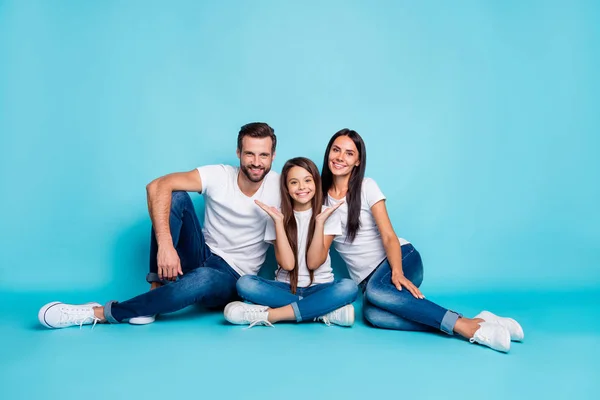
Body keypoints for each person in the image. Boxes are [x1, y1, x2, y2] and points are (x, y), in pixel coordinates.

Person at [38, 122, 281, 329]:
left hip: (230, 277)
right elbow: (156, 186)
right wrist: (166, 246)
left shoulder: (280, 187)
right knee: (174, 195)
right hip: (201, 253)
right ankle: (157, 288)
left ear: (273, 156)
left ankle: (99, 313)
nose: (256, 162)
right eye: (250, 154)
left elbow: (310, 206)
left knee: (205, 277)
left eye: (263, 155)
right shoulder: (219, 175)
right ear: (238, 152)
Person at [320, 128, 524, 352]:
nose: (340, 157)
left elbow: (389, 235)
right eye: (336, 150)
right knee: (373, 315)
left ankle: (470, 330)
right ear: (329, 152)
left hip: (402, 259)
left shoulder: (367, 186)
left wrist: (397, 271)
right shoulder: (319, 199)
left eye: (349, 153)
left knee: (377, 292)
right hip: (371, 284)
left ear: (358, 161)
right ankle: (475, 322)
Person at [223, 157, 358, 328]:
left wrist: (320, 223)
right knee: (245, 284)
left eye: (308, 180)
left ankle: (273, 315)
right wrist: (279, 223)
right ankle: (322, 310)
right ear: (286, 188)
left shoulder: (328, 214)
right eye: (294, 182)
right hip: (284, 289)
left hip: (321, 288)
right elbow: (287, 264)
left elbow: (314, 262)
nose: (302, 187)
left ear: (316, 183)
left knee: (348, 287)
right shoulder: (275, 216)